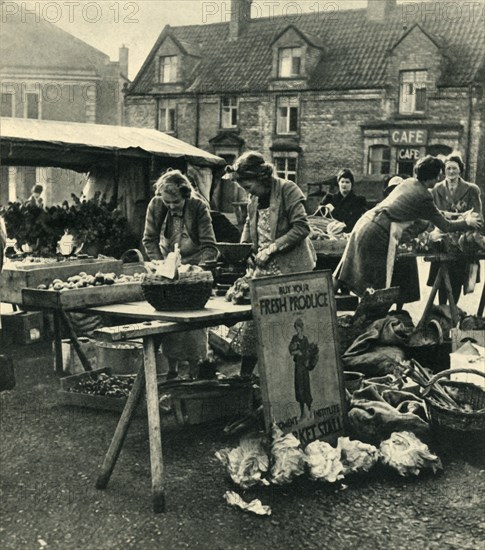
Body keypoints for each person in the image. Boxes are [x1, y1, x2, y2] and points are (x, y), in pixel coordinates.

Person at [334, 156, 482, 297]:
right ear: (431, 177)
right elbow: (446, 226)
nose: (439, 179)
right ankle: (371, 319)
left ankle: (328, 306)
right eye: (438, 176)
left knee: (343, 269)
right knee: (377, 283)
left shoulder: (409, 182)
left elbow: (430, 212)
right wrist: (467, 222)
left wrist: (451, 214)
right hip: (378, 231)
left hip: (365, 222)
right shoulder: (424, 195)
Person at [225, 151, 316, 378]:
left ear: (261, 178)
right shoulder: (254, 198)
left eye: (249, 186)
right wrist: (245, 247)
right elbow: (249, 223)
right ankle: (245, 378)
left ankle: (285, 380)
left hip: (290, 269)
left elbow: (302, 227)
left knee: (287, 328)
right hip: (263, 269)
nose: (248, 191)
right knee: (253, 326)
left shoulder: (287, 189)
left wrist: (273, 248)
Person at [142, 169, 218, 379]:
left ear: (186, 195)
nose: (172, 207)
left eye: (176, 202)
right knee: (170, 322)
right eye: (168, 203)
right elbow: (149, 239)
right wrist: (159, 262)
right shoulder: (156, 205)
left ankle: (195, 371)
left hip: (192, 267)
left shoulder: (198, 207)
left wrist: (196, 270)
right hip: (167, 266)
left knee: (193, 325)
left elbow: (210, 246)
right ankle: (172, 371)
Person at [427, 154, 483, 305]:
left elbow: (477, 218)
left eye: (454, 169)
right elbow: (432, 217)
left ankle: (452, 314)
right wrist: (463, 218)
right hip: (441, 239)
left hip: (462, 242)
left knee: (456, 280)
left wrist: (448, 216)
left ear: (460, 171)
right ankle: (442, 313)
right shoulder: (436, 190)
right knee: (441, 279)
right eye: (448, 168)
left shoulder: (472, 190)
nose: (451, 172)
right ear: (444, 171)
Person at [320, 168, 367, 232]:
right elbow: (319, 218)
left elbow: (352, 222)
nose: (344, 184)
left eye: (347, 182)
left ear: (351, 184)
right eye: (342, 182)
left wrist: (333, 210)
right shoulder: (329, 199)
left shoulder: (358, 201)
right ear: (338, 183)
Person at [289, 318, 312, 419]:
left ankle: (310, 410)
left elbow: (308, 352)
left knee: (306, 387)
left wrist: (305, 355)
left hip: (304, 366)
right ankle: (302, 412)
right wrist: (297, 352)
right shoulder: (294, 338)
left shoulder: (305, 339)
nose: (297, 329)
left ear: (301, 328)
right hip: (298, 366)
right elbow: (291, 351)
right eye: (296, 327)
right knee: (299, 388)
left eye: (299, 327)